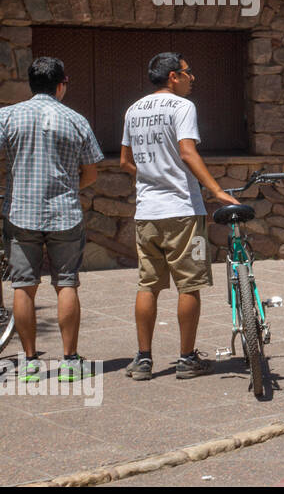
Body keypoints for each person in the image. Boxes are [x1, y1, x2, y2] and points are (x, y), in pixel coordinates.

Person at [120, 52, 238, 381]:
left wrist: (150, 176)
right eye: (188, 73)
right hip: (183, 211)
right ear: (173, 76)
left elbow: (125, 162)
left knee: (148, 286)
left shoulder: (133, 110)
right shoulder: (183, 107)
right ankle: (187, 359)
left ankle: (143, 360)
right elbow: (187, 151)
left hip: (147, 213)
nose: (192, 79)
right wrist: (215, 190)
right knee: (190, 285)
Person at [0, 57, 102, 383]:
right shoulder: (76, 120)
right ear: (61, 84)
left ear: (31, 84)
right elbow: (91, 172)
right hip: (65, 214)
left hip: (21, 213)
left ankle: (30, 362)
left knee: (23, 286)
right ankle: (70, 361)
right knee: (67, 283)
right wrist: (69, 186)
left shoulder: (8, 116)